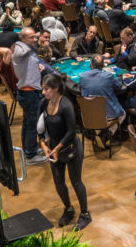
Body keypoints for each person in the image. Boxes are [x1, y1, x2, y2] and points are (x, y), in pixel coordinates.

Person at [38, 73, 91, 231]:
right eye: (43, 89)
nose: (43, 92)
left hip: (71, 147)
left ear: (55, 89)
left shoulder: (66, 105)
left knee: (76, 181)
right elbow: (39, 125)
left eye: (46, 89)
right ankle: (68, 208)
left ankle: (85, 214)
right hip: (54, 148)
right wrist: (42, 143)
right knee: (59, 182)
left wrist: (56, 148)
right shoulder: (43, 103)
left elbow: (70, 132)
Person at [2, 27, 47, 164]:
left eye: (35, 37)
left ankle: (28, 147)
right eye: (31, 37)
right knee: (32, 124)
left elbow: (29, 59)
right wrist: (34, 42)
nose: (35, 40)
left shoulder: (25, 49)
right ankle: (31, 156)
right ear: (22, 39)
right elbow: (14, 53)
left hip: (30, 91)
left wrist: (37, 65)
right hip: (28, 93)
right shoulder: (19, 48)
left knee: (27, 123)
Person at [78, 54, 126, 131]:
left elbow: (80, 90)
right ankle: (108, 132)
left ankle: (99, 132)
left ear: (91, 65)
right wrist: (119, 76)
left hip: (87, 114)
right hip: (107, 115)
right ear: (103, 65)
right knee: (123, 114)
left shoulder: (82, 76)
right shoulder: (109, 76)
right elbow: (119, 86)